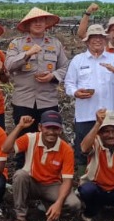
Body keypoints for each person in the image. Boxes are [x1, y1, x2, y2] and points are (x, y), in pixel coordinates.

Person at [64, 24, 114, 168]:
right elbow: (69, 84)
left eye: (100, 37)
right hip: (86, 115)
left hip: (110, 116)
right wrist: (75, 92)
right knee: (83, 152)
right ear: (87, 41)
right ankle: (84, 184)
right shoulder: (78, 60)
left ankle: (110, 182)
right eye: (93, 38)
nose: (97, 40)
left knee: (111, 151)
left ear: (105, 40)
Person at [3, 111, 81, 221]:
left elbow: (67, 181)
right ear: (40, 127)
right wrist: (19, 127)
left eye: (55, 128)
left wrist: (59, 203)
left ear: (60, 130)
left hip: (52, 185)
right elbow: (5, 149)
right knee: (20, 175)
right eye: (47, 127)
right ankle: (20, 215)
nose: (51, 132)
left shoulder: (66, 149)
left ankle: (48, 207)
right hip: (31, 182)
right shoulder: (30, 138)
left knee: (74, 204)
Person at [6, 7, 69, 135]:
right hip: (23, 101)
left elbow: (65, 67)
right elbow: (9, 65)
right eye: (34, 21)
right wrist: (27, 54)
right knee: (24, 140)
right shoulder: (17, 44)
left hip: (48, 101)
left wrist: (53, 75)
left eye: (41, 20)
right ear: (28, 24)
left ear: (46, 24)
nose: (38, 23)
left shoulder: (55, 44)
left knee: (48, 139)